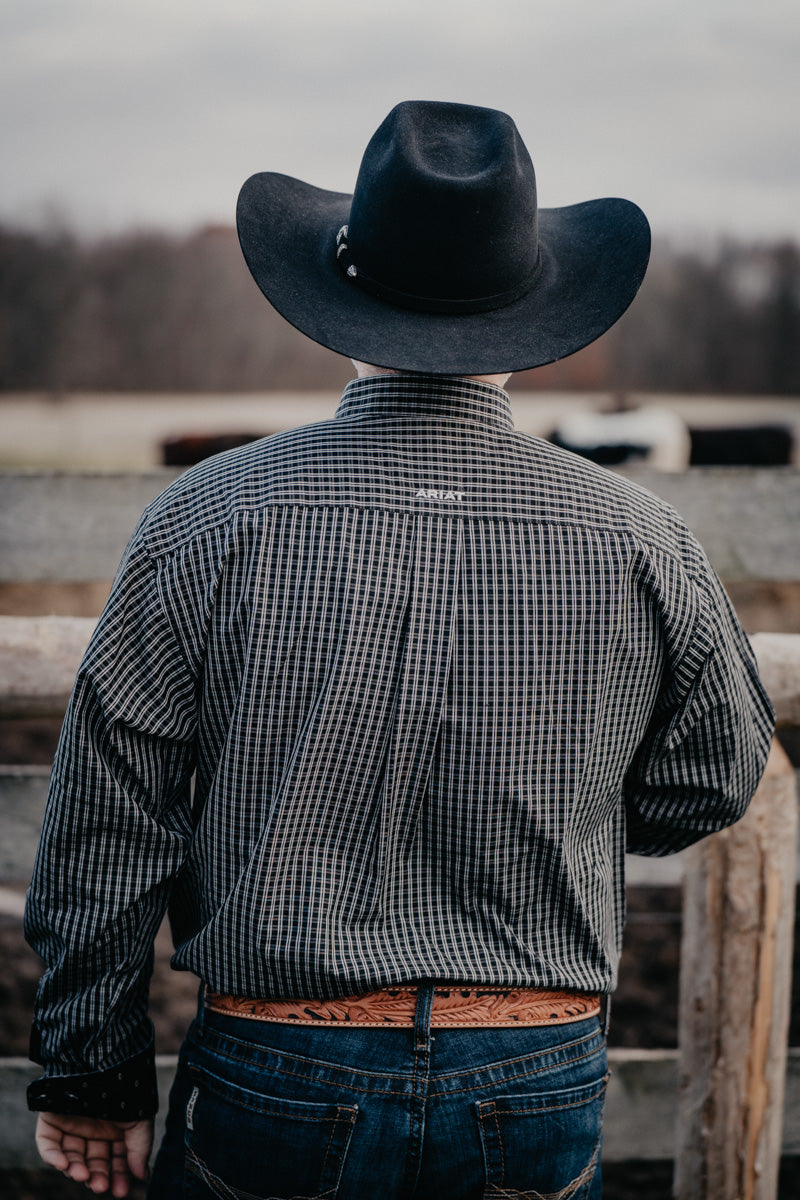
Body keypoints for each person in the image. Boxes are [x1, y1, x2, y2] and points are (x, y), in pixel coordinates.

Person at [25, 101, 774, 1199]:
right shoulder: (640, 535)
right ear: (530, 303)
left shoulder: (209, 515)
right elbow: (714, 772)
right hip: (533, 1059)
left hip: (274, 1057)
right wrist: (550, 813)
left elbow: (109, 819)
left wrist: (91, 1078)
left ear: (342, 298)